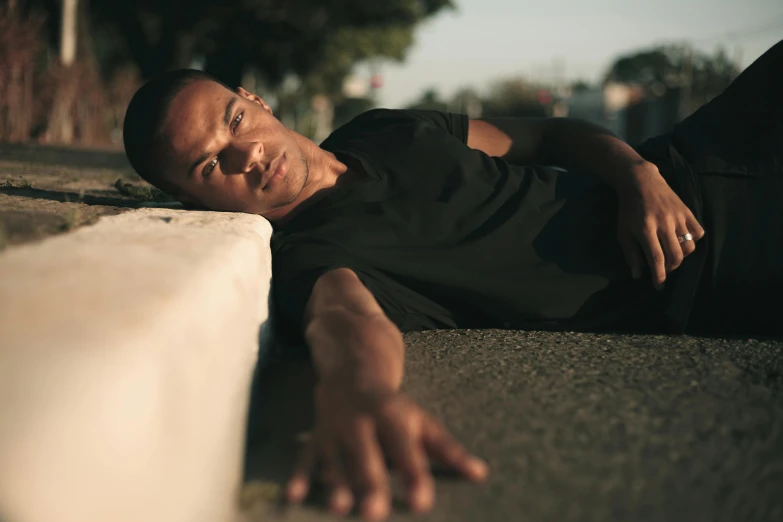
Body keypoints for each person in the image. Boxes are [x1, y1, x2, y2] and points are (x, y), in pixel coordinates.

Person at [122, 40, 782, 521]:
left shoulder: (385, 129)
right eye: (210, 167)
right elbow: (346, 322)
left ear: (254, 102)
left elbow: (549, 137)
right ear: (197, 203)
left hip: (691, 156)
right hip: (710, 260)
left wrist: (637, 175)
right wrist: (358, 390)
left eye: (235, 124)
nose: (247, 155)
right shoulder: (312, 253)